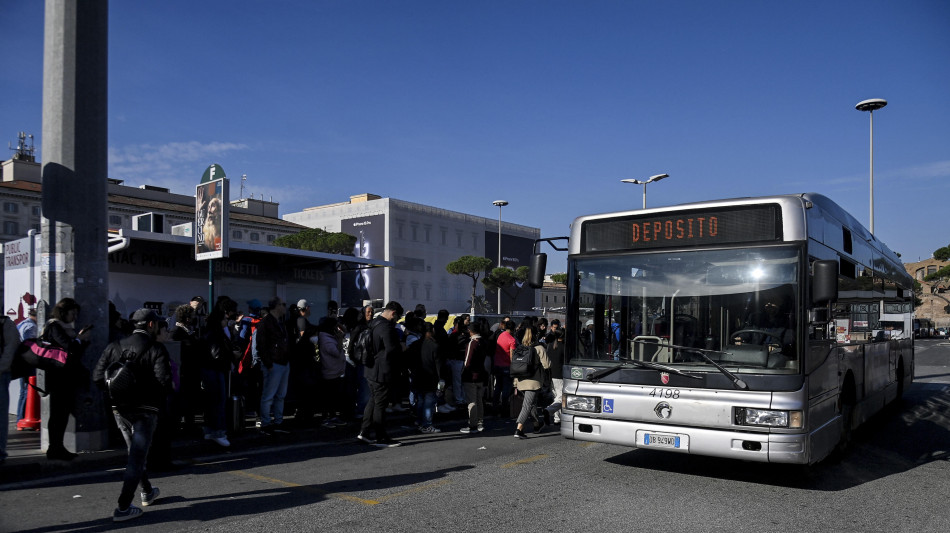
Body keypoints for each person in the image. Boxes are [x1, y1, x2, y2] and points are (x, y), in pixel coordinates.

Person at [93, 308, 172, 522]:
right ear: (150, 325)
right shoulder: (156, 349)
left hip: (120, 409)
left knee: (135, 454)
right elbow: (164, 382)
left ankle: (147, 491)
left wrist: (118, 389)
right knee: (136, 458)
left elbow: (98, 377)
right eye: (156, 323)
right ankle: (123, 507)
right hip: (146, 411)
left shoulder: (114, 346)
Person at [42, 297, 92, 460]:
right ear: (63, 312)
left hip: (66, 377)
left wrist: (82, 341)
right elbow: (67, 348)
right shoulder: (54, 326)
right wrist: (79, 339)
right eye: (72, 313)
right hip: (58, 377)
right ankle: (54, 448)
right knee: (58, 414)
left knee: (62, 414)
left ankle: (58, 447)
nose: (74, 317)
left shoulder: (62, 327)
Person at [357, 300, 404, 448]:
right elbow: (392, 350)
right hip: (382, 371)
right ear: (393, 313)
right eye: (397, 317)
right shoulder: (386, 328)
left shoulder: (374, 323)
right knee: (380, 405)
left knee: (373, 401)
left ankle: (364, 432)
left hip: (370, 369)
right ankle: (381, 437)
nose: (396, 321)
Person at [258, 297, 290, 434]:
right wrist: (268, 363)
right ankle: (266, 423)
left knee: (280, 395)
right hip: (274, 363)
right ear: (276, 306)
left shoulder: (280, 322)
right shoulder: (266, 322)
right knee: (269, 395)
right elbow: (261, 344)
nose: (285, 307)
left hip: (282, 361)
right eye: (283, 304)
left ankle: (278, 421)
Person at [513, 325, 551, 439]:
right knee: (527, 405)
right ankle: (519, 429)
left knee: (531, 403)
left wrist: (515, 384)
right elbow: (547, 364)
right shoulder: (539, 348)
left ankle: (536, 425)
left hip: (520, 380)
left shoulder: (520, 348)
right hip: (533, 381)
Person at [412, 322, 442, 433]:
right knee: (429, 403)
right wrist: (441, 379)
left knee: (420, 401)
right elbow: (438, 365)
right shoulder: (434, 346)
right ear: (431, 331)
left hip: (418, 377)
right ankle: (427, 424)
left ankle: (419, 421)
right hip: (430, 378)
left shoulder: (415, 345)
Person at [0, 311, 21, 465]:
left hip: (1, 375)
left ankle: (0, 452)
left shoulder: (5, 323)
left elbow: (11, 346)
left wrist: (2, 367)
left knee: (0, 415)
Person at [460, 321, 489, 433]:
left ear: (470, 331)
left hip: (471, 376)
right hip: (481, 375)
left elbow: (467, 361)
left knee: (472, 402)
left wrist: (463, 373)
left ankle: (472, 424)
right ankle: (480, 422)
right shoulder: (483, 342)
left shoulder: (472, 343)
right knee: (479, 400)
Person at [15, 308, 39, 424]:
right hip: (27, 361)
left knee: (23, 391)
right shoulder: (31, 327)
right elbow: (30, 345)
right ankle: (23, 417)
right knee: (27, 390)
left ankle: (19, 417)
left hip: (20, 360)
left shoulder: (22, 324)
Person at [492, 319, 516, 415]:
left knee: (498, 387)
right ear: (513, 329)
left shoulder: (500, 336)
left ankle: (495, 407)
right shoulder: (512, 340)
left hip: (497, 364)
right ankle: (504, 409)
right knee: (506, 389)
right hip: (506, 366)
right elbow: (512, 356)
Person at [544, 328, 565, 424]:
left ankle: (557, 418)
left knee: (556, 396)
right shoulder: (564, 347)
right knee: (561, 397)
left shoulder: (550, 346)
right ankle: (549, 410)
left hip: (551, 374)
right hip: (560, 375)